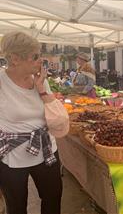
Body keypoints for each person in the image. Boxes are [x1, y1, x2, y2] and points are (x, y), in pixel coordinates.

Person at [0, 31, 69, 214]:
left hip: (46, 149)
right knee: (16, 206)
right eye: (35, 56)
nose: (41, 60)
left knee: (53, 198)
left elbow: (60, 122)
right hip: (12, 155)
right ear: (15, 59)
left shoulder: (40, 80)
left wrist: (42, 90)